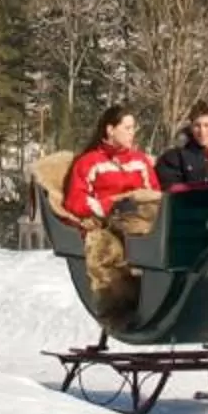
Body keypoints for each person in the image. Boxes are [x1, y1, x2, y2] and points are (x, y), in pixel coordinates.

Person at [63, 106, 162, 317]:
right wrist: (107, 204)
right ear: (110, 130)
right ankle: (119, 305)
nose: (132, 133)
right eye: (127, 128)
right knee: (108, 248)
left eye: (133, 128)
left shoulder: (140, 161)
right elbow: (75, 201)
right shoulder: (89, 162)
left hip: (142, 214)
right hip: (111, 219)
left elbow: (153, 193)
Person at [155, 101, 208, 192]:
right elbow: (170, 190)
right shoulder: (175, 158)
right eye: (197, 126)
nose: (202, 131)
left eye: (207, 125)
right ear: (191, 127)